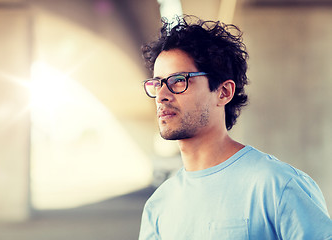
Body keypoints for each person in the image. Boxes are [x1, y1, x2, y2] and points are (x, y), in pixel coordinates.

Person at [138, 15, 332, 240]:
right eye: (157, 83)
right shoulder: (160, 204)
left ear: (223, 92)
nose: (161, 95)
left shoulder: (276, 185)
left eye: (178, 81)